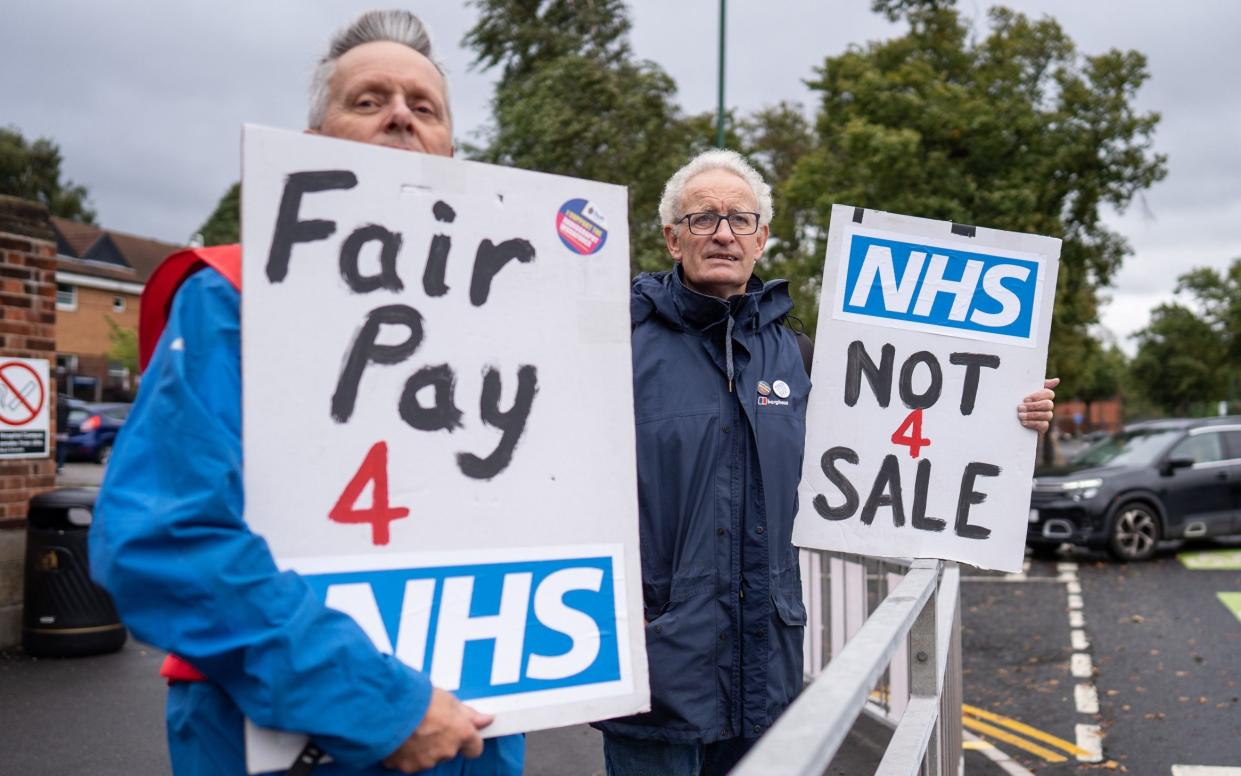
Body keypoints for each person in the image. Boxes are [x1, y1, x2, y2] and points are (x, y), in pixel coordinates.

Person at [91, 11, 523, 776]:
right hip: (276, 731)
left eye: (424, 108)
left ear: (451, 150)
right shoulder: (231, 295)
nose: (400, 116)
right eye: (368, 100)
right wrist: (378, 703)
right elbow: (163, 540)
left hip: (474, 729)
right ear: (314, 143)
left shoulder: (512, 320)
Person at [595, 149, 1057, 776]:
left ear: (763, 239)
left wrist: (1011, 417)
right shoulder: (613, 347)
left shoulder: (802, 357)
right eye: (702, 218)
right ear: (672, 238)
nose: (723, 232)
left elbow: (910, 435)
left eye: (740, 219)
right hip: (654, 672)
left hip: (765, 672)